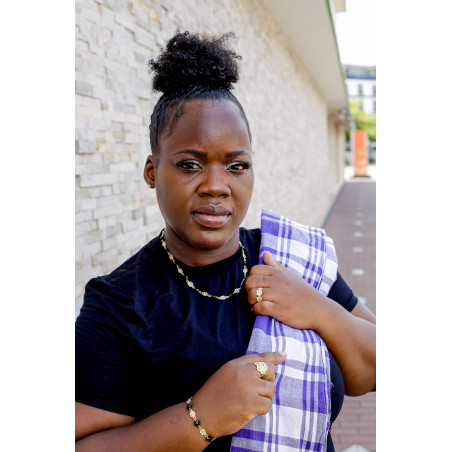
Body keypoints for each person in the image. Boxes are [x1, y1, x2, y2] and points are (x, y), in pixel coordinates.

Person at [75, 31, 376, 452]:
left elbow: (372, 371)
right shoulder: (120, 303)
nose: (217, 186)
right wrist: (200, 418)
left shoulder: (291, 256)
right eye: (190, 164)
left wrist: (318, 310)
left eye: (236, 166)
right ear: (152, 172)